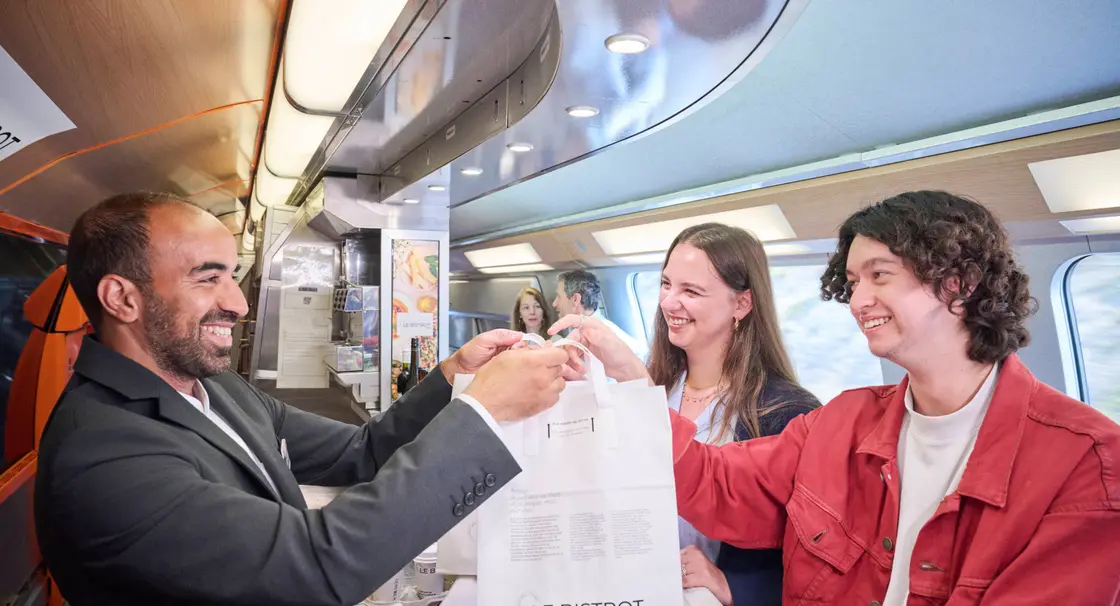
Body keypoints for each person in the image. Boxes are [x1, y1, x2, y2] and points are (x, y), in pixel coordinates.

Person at [555, 191, 1120, 605]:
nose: (857, 300)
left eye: (880, 275)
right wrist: (632, 384)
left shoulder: (1086, 462)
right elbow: (715, 481)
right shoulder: (844, 420)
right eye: (852, 283)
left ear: (959, 283)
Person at [34, 192, 574, 606]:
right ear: (122, 298)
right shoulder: (102, 454)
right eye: (208, 279)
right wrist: (483, 414)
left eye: (232, 276)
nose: (238, 304)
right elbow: (317, 564)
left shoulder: (217, 387)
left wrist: (454, 378)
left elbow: (362, 451)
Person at [641, 223, 820, 605]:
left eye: (691, 291)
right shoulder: (653, 391)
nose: (669, 302)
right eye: (666, 284)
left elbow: (812, 554)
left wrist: (732, 586)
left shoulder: (787, 414)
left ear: (741, 304)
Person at [552, 269, 647, 359]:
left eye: (559, 296)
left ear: (575, 299)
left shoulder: (607, 333)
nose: (554, 304)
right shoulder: (575, 331)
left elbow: (640, 355)